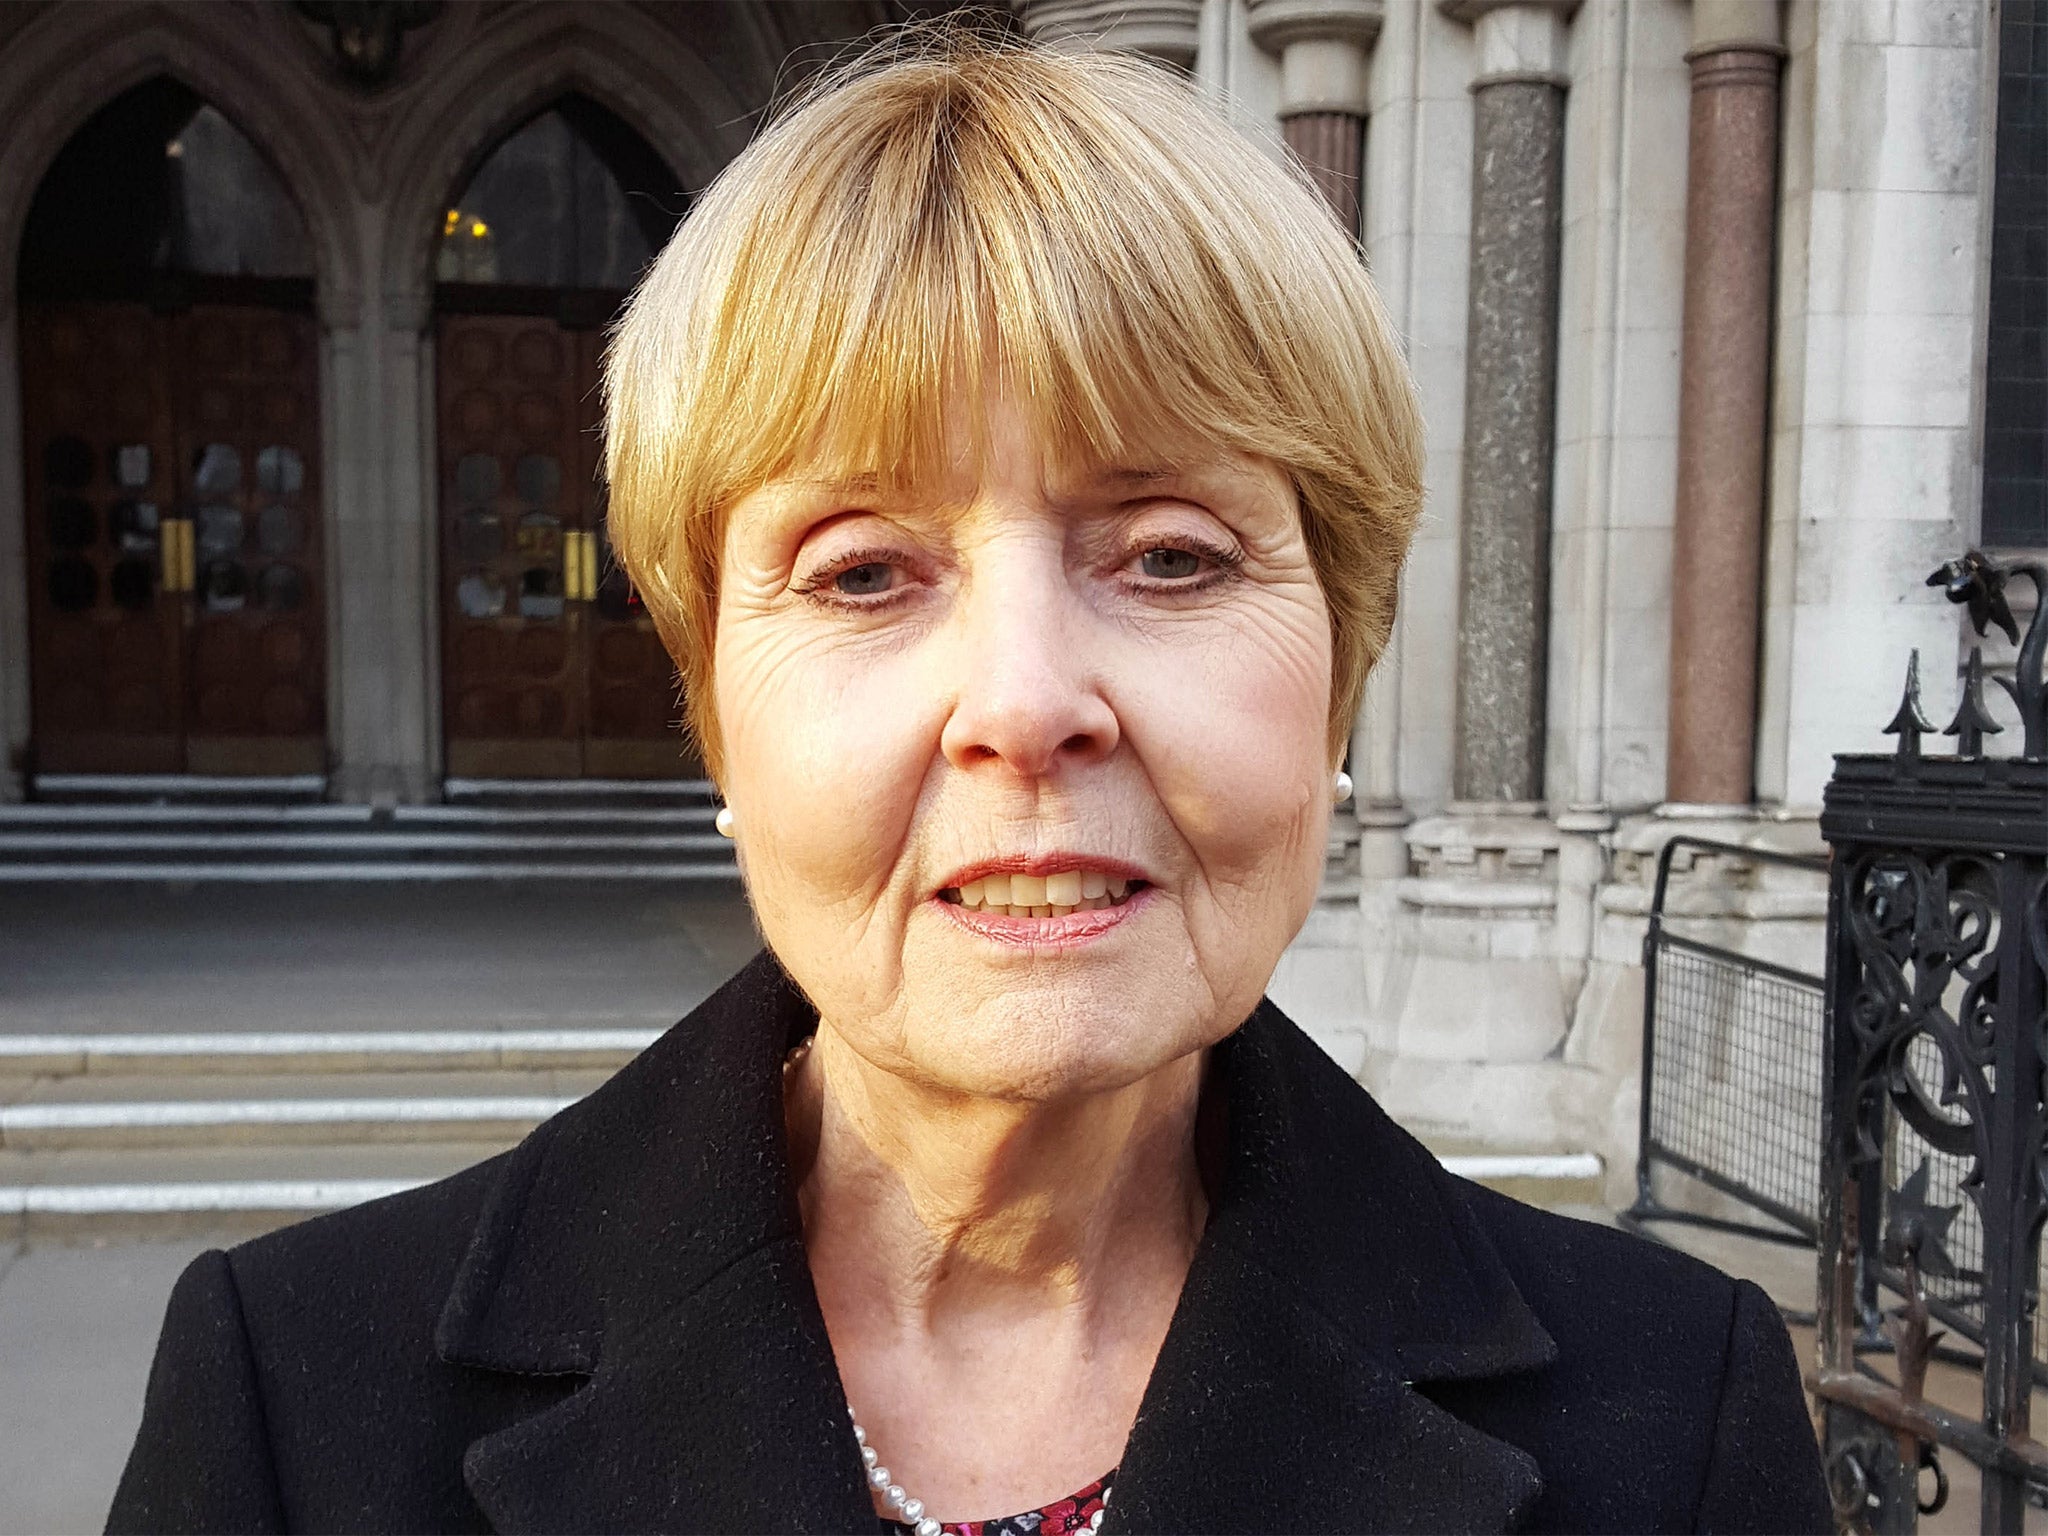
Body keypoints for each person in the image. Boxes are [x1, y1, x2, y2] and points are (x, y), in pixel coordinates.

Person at [108, 29, 1829, 1535]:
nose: (1023, 704)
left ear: (1339, 676)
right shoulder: (298, 1408)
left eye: (1169, 556)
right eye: (863, 573)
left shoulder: (1677, 1416)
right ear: (715, 711)